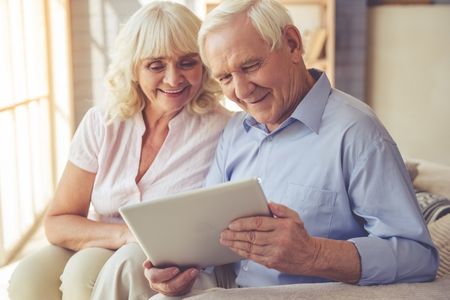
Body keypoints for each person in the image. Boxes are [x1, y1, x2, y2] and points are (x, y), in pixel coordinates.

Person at [144, 0, 439, 297]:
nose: (242, 91)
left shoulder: (357, 133)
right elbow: (207, 236)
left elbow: (419, 256)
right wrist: (178, 270)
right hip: (232, 287)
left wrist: (314, 253)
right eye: (225, 78)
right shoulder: (235, 131)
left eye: (251, 66)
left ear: (292, 44)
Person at [8, 2, 230, 300]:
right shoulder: (103, 122)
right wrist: (124, 234)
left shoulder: (222, 130)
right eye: (156, 65)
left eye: (188, 63)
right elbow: (58, 222)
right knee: (28, 278)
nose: (173, 78)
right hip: (105, 237)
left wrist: (135, 241)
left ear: (204, 64)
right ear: (134, 69)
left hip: (159, 253)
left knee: (82, 274)